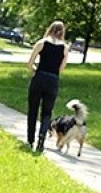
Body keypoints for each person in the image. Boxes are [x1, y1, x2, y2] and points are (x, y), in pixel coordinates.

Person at [26, 20, 69, 151]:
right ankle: (42, 137)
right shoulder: (65, 48)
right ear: (62, 32)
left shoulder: (41, 43)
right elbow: (61, 68)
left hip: (39, 78)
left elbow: (29, 63)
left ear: (50, 29)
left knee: (33, 109)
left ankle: (30, 140)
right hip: (53, 81)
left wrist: (35, 71)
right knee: (47, 112)